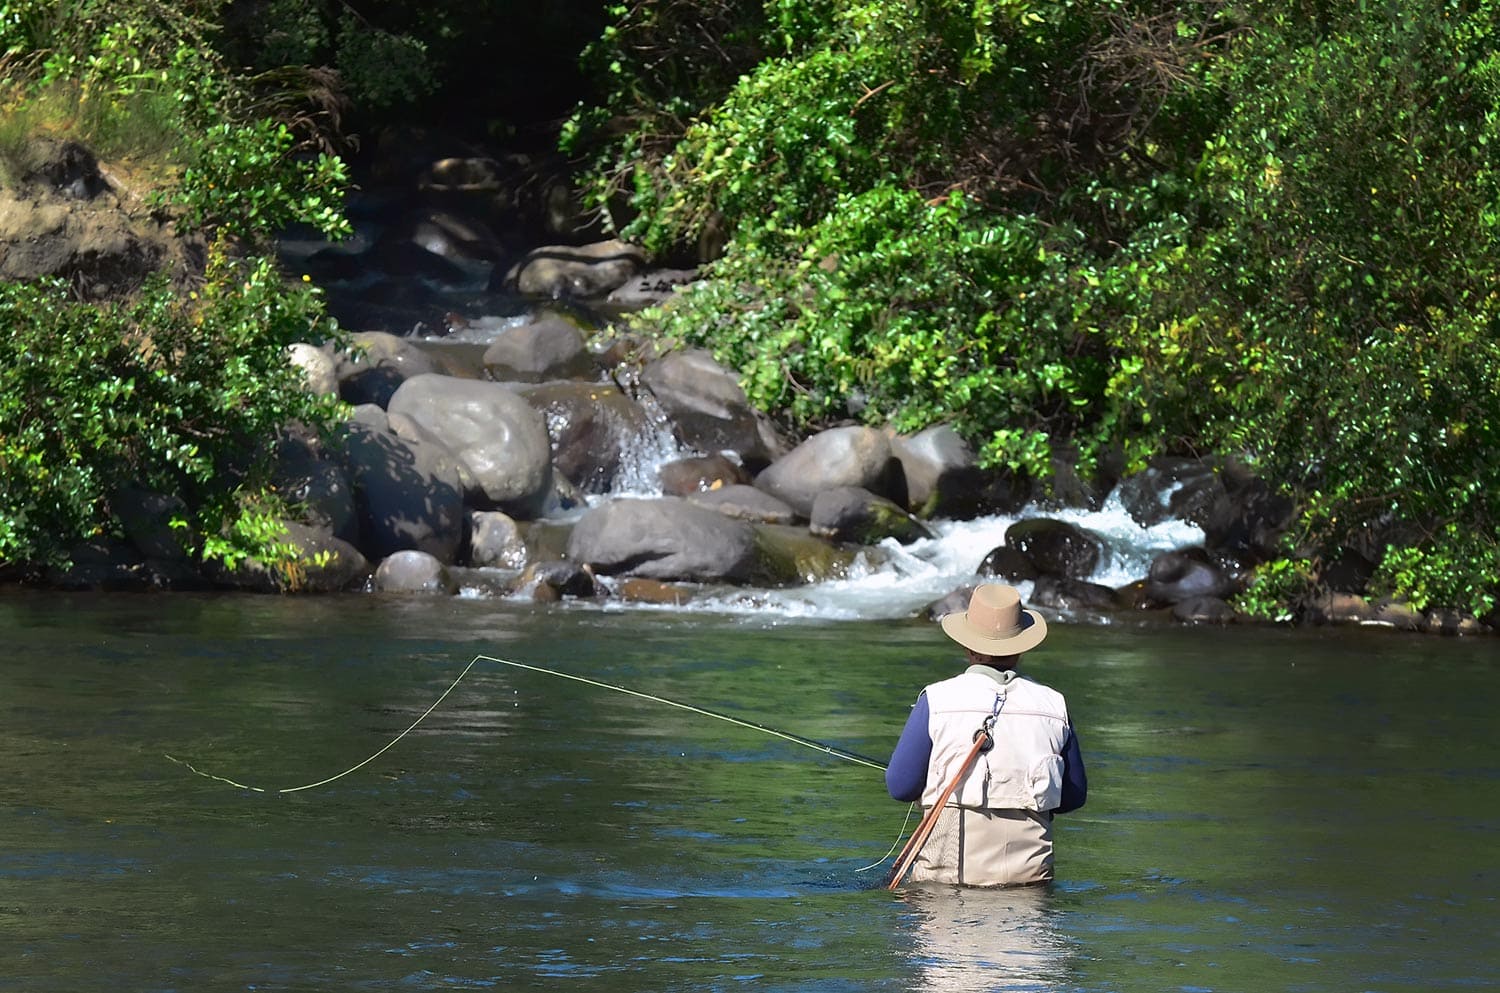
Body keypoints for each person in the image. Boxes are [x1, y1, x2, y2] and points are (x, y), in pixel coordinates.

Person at [886, 583, 1086, 886]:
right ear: (1021, 647)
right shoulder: (1054, 705)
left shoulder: (936, 699)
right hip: (1029, 887)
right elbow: (1073, 796)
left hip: (946, 883)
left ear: (966, 645)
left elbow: (900, 787)